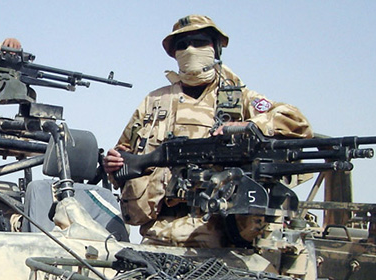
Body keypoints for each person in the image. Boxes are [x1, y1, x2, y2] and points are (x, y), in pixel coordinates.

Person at [104, 15, 313, 248]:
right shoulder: (154, 101)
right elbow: (125, 151)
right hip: (157, 234)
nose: (190, 50)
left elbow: (298, 123)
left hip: (219, 238)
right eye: (182, 45)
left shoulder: (238, 99)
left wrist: (252, 126)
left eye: (199, 42)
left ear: (216, 48)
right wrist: (115, 163)